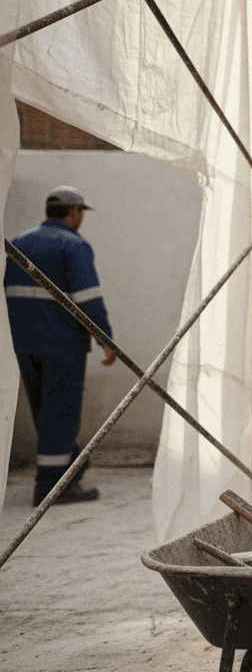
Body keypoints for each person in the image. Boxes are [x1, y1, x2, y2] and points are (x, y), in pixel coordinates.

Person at [5, 186, 116, 506]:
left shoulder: (19, 243)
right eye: (80, 212)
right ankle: (52, 487)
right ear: (73, 212)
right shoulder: (74, 245)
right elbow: (87, 299)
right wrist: (105, 339)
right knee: (61, 412)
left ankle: (71, 464)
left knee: (45, 411)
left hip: (24, 344)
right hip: (62, 344)